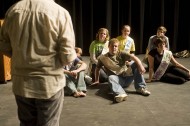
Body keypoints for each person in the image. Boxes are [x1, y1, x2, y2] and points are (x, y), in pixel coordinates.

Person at [0, 0, 77, 126]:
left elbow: (3, 45)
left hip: (21, 82)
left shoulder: (14, 10)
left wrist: (21, 58)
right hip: (49, 83)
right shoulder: (60, 13)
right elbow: (67, 56)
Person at [92, 38, 151, 103]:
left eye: (116, 46)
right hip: (117, 80)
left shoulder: (121, 53)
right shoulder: (102, 58)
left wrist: (141, 65)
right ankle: (120, 94)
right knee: (110, 77)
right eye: (112, 46)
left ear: (118, 47)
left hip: (127, 77)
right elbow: (97, 69)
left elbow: (134, 57)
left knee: (135, 64)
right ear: (108, 46)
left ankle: (141, 88)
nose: (114, 48)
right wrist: (97, 80)